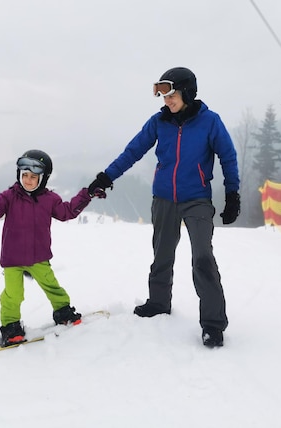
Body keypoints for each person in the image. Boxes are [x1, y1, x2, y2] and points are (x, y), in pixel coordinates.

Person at [87, 67, 240, 348]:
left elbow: (228, 156)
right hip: (164, 198)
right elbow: (133, 151)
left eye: (171, 95)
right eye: (163, 96)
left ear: (188, 93)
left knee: (203, 257)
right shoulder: (159, 122)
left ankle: (213, 325)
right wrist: (106, 176)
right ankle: (158, 302)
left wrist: (233, 194)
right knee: (162, 254)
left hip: (197, 199)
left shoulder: (210, 122)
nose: (166, 101)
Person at [0, 149, 105, 347]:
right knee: (13, 294)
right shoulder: (9, 197)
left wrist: (87, 194)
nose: (28, 180)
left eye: (33, 177)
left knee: (52, 286)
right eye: (25, 175)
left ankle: (63, 312)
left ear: (43, 178)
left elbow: (68, 212)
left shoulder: (50, 199)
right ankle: (11, 327)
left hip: (40, 257)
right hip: (13, 259)